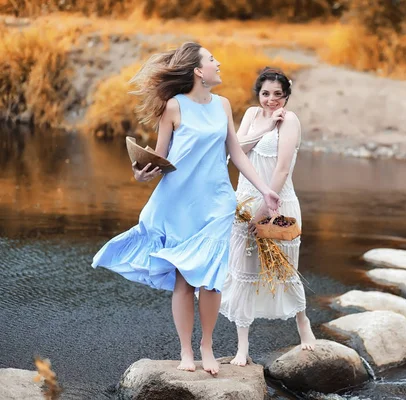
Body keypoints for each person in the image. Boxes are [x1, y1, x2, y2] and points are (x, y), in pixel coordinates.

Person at [91, 43, 280, 375]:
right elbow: (160, 159)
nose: (218, 62)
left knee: (211, 280)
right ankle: (186, 351)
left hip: (218, 203)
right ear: (197, 70)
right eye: (211, 59)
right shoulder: (173, 107)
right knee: (184, 280)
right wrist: (140, 172)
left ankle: (207, 346)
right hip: (179, 203)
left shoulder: (223, 105)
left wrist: (266, 190)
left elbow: (235, 153)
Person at [219, 67, 316, 366]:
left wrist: (265, 207)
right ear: (258, 94)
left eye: (277, 94)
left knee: (284, 270)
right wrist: (263, 128)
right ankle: (242, 348)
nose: (271, 100)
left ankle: (303, 325)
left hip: (277, 203)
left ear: (286, 95)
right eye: (265, 93)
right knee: (243, 271)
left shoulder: (291, 121)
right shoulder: (250, 115)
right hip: (243, 200)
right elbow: (236, 150)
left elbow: (282, 169)